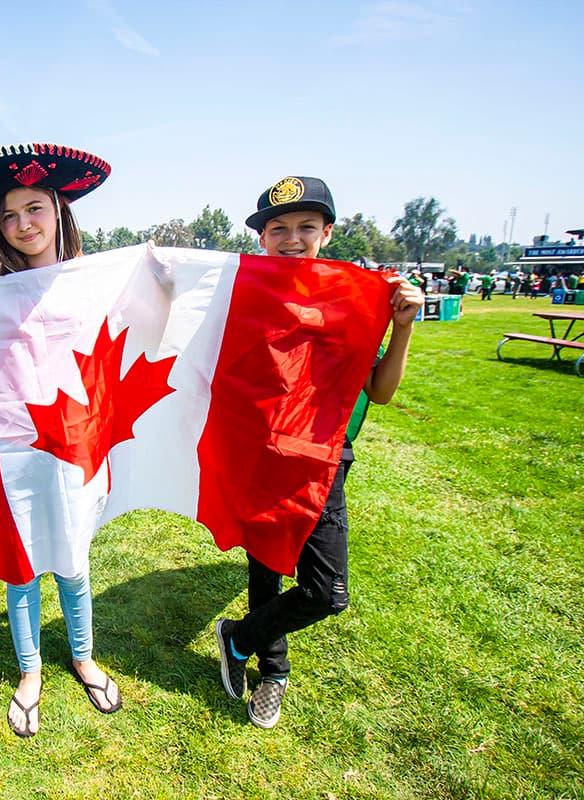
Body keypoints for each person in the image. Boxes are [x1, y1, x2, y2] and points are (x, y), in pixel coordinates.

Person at [215, 176, 423, 729]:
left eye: (306, 226)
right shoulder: (244, 289)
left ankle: (240, 637)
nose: (291, 238)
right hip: (259, 451)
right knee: (266, 558)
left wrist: (402, 327)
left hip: (324, 455)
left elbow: (379, 391)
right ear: (261, 238)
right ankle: (273, 669)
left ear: (327, 233)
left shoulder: (353, 298)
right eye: (277, 228)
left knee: (326, 592)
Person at [0, 143, 120, 737]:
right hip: (12, 446)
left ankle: (84, 656)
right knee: (21, 564)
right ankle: (30, 670)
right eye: (9, 216)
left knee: (71, 557)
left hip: (74, 443)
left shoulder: (96, 282)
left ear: (59, 210)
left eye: (34, 209)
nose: (22, 225)